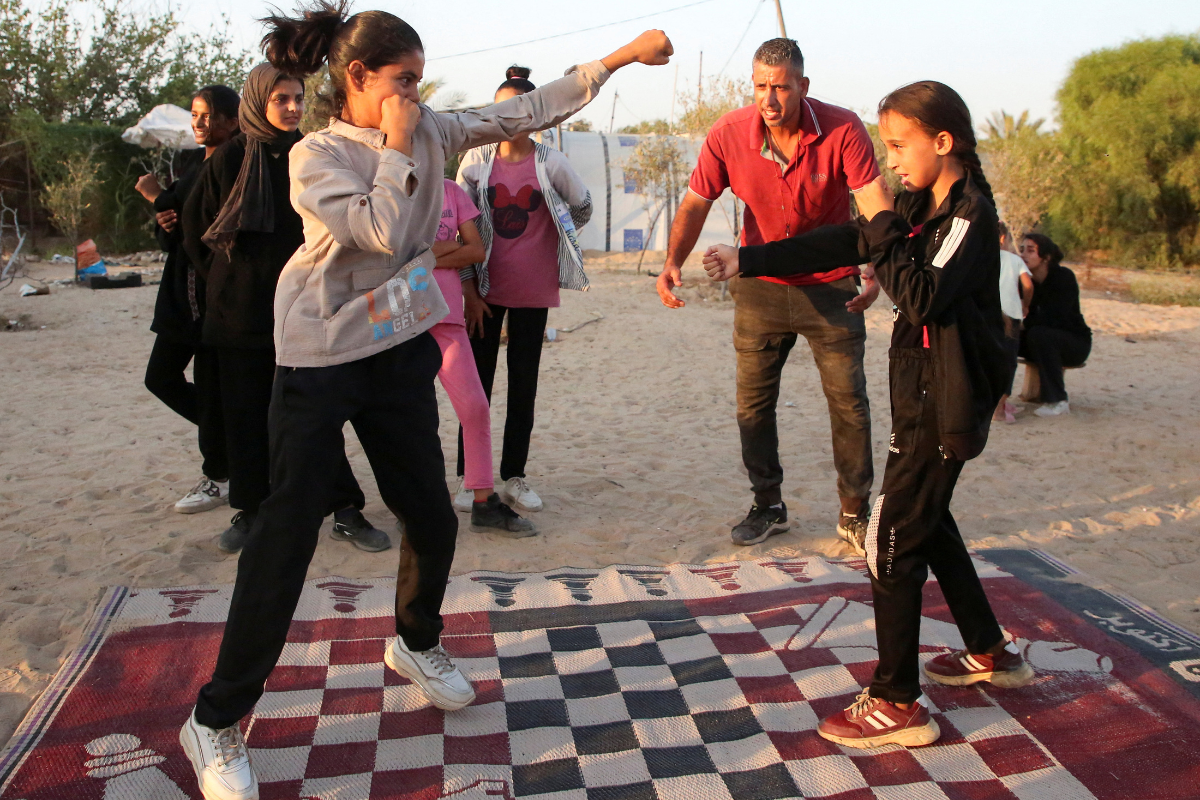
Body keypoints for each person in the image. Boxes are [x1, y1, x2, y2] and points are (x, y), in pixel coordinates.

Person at [176, 3, 672, 797]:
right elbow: (379, 227)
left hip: (397, 343)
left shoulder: (435, 129)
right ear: (358, 80)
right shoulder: (318, 154)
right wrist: (401, 142)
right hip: (321, 354)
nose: (416, 93)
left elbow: (528, 109)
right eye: (401, 81)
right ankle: (215, 719)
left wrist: (619, 57)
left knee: (431, 513)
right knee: (287, 534)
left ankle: (414, 641)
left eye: (420, 79)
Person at [702, 80, 1034, 750]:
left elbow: (917, 295)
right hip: (919, 399)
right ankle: (990, 650)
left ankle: (895, 700)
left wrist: (882, 226)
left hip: (944, 406)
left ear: (945, 143)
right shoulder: (917, 205)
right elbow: (846, 242)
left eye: (899, 146)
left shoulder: (967, 218)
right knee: (929, 522)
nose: (891, 164)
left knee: (891, 536)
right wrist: (751, 258)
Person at [654, 38, 893, 553]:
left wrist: (876, 266)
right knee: (754, 406)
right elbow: (696, 202)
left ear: (802, 86)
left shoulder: (843, 127)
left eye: (781, 87)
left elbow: (875, 205)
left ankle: (854, 512)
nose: (769, 98)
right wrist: (672, 261)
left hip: (832, 287)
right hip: (759, 289)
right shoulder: (728, 134)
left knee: (849, 404)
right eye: (761, 86)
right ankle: (768, 504)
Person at [183, 63, 390, 555]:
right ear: (258, 100)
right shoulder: (228, 160)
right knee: (247, 419)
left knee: (316, 415)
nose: (293, 108)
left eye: (298, 98)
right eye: (281, 99)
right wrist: (235, 282)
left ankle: (345, 508)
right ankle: (251, 511)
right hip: (240, 317)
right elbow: (195, 235)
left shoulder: (312, 154)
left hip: (305, 310)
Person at [454, 65, 595, 515]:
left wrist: (559, 233)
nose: (506, 115)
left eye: (516, 108)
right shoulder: (476, 162)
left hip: (534, 290)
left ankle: (514, 476)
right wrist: (469, 291)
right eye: (499, 108)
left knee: (523, 385)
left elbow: (583, 204)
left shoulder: (551, 161)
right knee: (475, 387)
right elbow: (460, 228)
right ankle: (469, 477)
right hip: (485, 291)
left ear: (533, 114)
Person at [135, 86, 240, 514]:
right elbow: (172, 231)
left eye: (208, 115)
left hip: (212, 296)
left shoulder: (234, 164)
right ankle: (234, 443)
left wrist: (157, 196)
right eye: (195, 115)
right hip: (180, 292)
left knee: (213, 388)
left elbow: (207, 228)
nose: (198, 123)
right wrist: (162, 212)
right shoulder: (193, 161)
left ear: (233, 120)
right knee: (161, 378)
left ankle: (220, 470)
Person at [430, 177, 534, 536]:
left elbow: (475, 250)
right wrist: (445, 248)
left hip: (448, 319)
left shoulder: (451, 191)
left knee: (475, 407)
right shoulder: (389, 189)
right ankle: (416, 502)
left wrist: (427, 253)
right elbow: (391, 254)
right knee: (412, 415)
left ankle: (483, 501)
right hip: (404, 322)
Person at [1020, 232, 1090, 417]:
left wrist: (1024, 325)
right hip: (1039, 337)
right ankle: (997, 399)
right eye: (1022, 250)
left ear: (1046, 257)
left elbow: (1056, 317)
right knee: (1001, 335)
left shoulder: (1063, 278)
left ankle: (1057, 400)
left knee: (1040, 334)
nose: (1023, 255)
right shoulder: (1026, 281)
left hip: (1073, 343)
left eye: (1030, 250)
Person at [993, 221, 1033, 424]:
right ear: (1003, 238)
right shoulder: (1013, 260)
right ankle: (999, 410)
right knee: (1007, 360)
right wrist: (1025, 305)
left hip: (986, 314)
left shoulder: (977, 258)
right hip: (1010, 314)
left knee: (988, 359)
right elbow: (1028, 285)